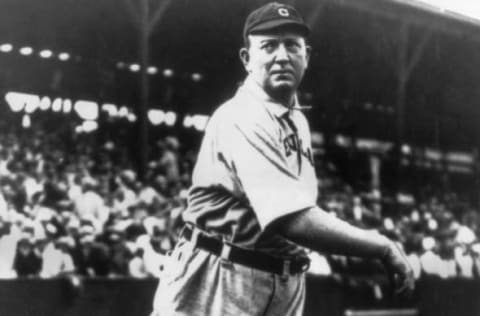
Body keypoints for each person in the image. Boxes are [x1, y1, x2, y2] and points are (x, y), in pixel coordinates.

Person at [151, 2, 414, 316]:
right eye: (269, 46)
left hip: (283, 276)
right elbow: (291, 220)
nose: (282, 56)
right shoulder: (244, 115)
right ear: (247, 59)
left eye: (292, 45)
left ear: (307, 56)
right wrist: (380, 245)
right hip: (220, 276)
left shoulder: (295, 116)